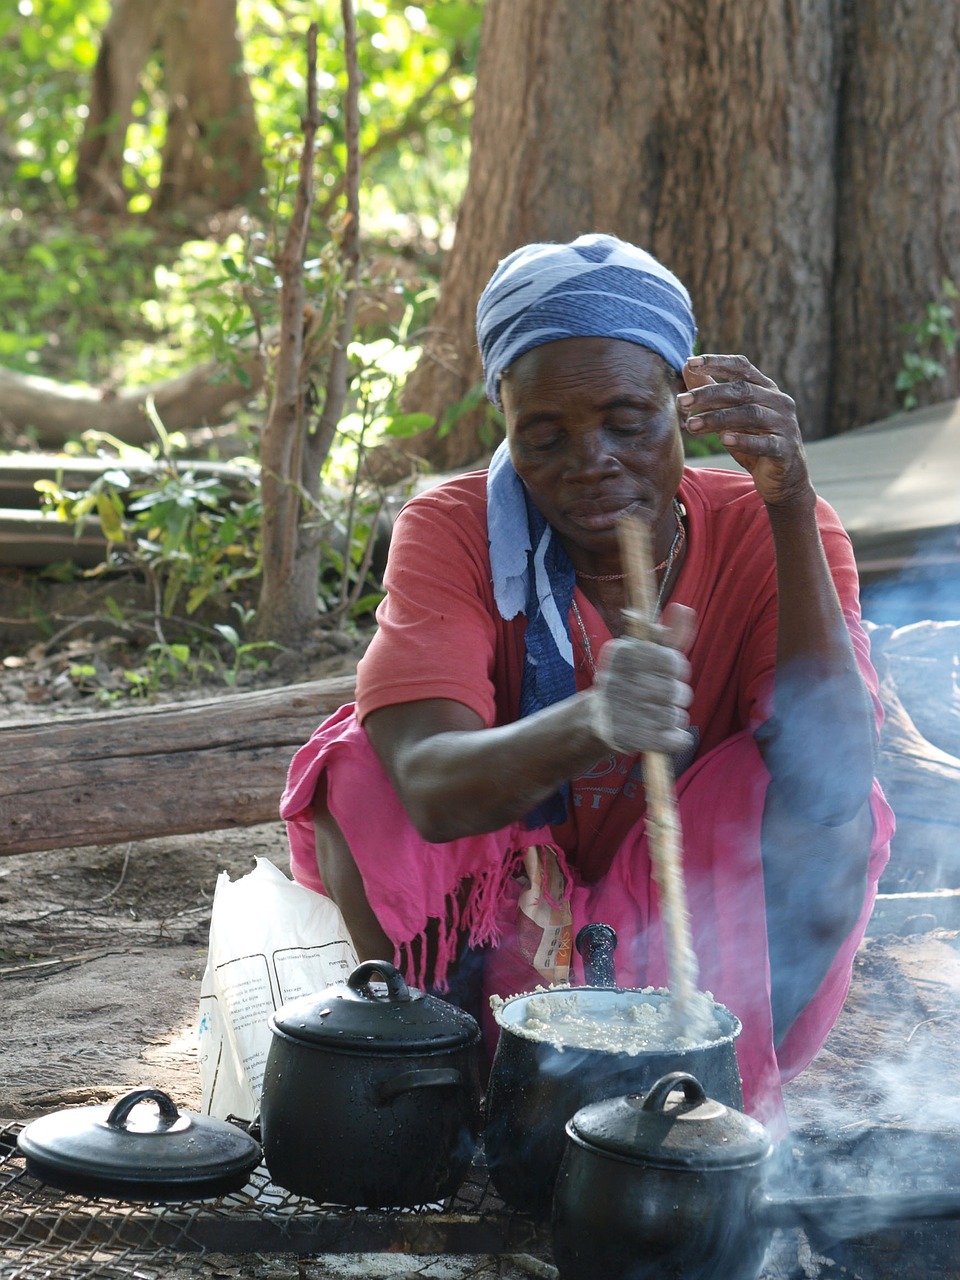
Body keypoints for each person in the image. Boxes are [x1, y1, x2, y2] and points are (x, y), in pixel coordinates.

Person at [281, 233, 894, 1129]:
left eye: (628, 421)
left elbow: (834, 784)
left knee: (798, 786)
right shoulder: (450, 530)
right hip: (508, 936)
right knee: (360, 765)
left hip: (699, 939)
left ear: (681, 409)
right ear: (506, 427)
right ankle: (453, 1078)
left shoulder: (772, 521)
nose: (591, 460)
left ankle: (725, 1083)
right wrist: (593, 720)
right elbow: (427, 787)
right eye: (545, 434)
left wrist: (792, 501)